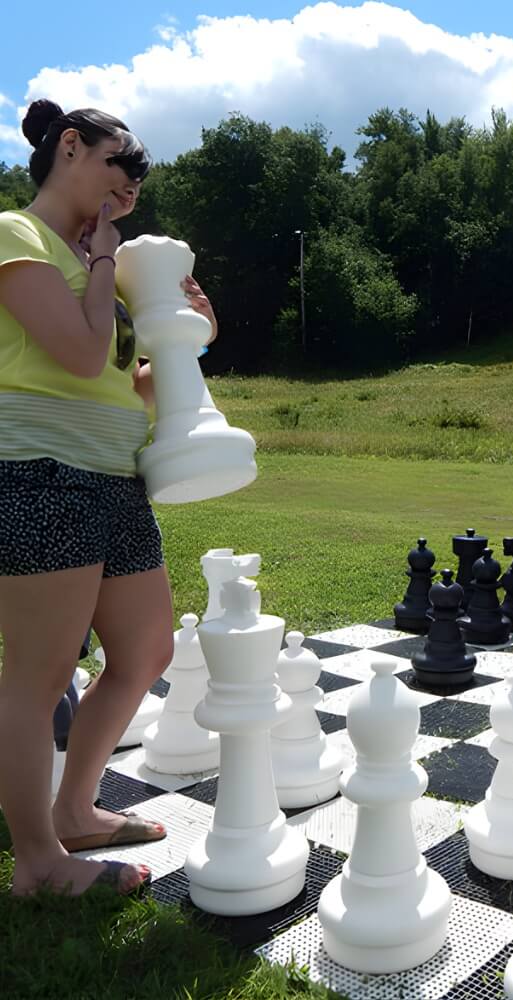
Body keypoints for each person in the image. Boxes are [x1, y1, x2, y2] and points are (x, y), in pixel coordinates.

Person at [0, 99, 213, 898]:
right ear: (70, 147)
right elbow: (80, 351)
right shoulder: (16, 235)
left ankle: (76, 811)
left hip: (114, 476)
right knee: (39, 672)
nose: (134, 184)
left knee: (144, 653)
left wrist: (191, 335)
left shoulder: (97, 269)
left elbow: (125, 387)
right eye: (126, 163)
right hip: (38, 471)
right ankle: (39, 864)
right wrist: (101, 262)